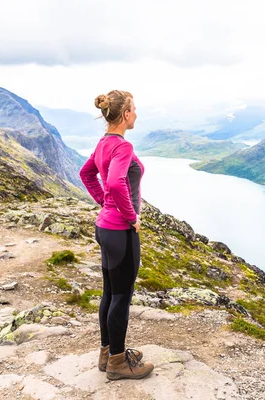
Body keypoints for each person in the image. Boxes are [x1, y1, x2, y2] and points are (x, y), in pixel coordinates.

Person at [79, 90, 154, 380]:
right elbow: (114, 181)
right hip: (120, 231)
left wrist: (103, 203)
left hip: (104, 228)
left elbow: (86, 174)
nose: (136, 114)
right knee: (122, 297)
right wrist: (131, 217)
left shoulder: (104, 144)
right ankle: (118, 363)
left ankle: (107, 353)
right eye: (134, 109)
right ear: (125, 115)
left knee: (110, 292)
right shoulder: (122, 146)